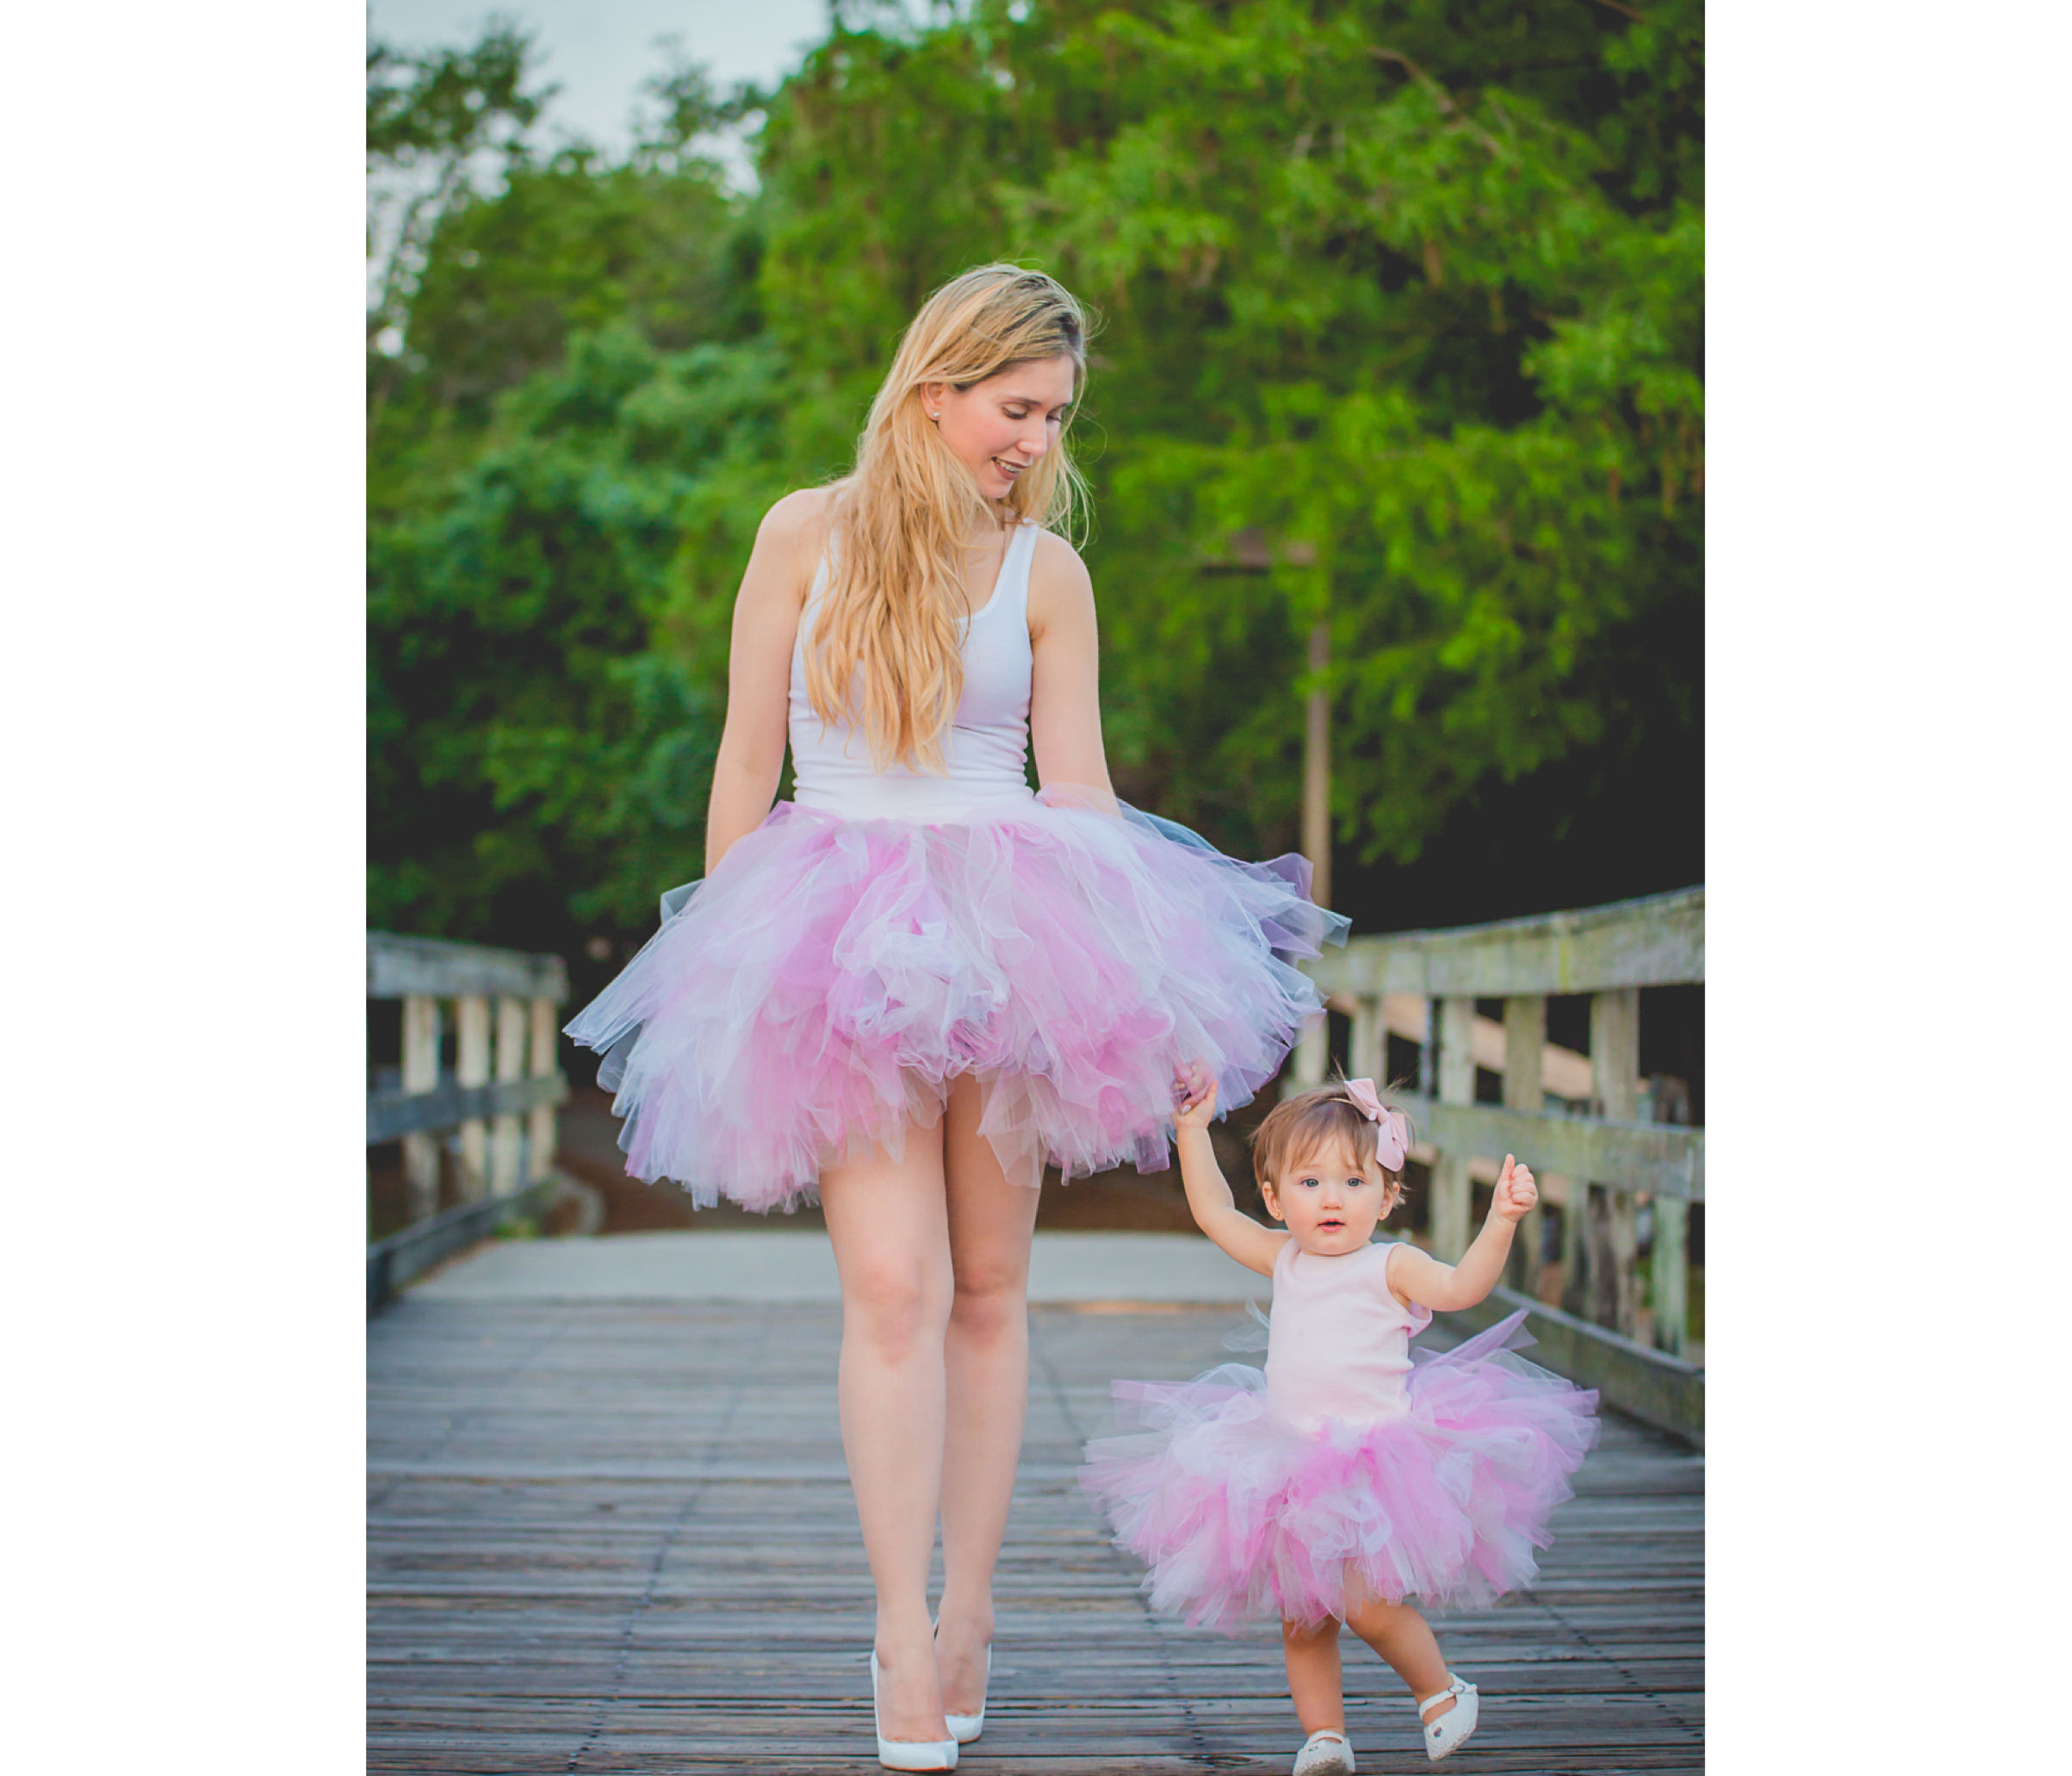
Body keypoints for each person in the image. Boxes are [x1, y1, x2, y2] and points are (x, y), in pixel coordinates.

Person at [563, 264, 1348, 1770]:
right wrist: (730, 965)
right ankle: (897, 1632)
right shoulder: (802, 533)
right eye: (1016, 409)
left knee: (989, 1285)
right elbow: (743, 764)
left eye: (1055, 417)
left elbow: (1080, 788)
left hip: (1013, 928)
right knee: (890, 1287)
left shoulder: (1046, 572)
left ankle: (972, 1607)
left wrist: (1153, 978)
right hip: (831, 929)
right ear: (937, 391)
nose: (1037, 442)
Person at [1080, 1070, 1599, 1776]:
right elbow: (1214, 1213)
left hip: (1375, 1469)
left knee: (1370, 1606)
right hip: (1289, 1467)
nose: (1332, 1199)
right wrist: (1193, 1130)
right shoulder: (1284, 1258)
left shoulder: (1392, 1266)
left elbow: (1461, 1288)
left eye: (1354, 1182)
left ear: (1386, 1197)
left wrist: (1500, 1221)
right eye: (1311, 1182)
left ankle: (1441, 1690)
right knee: (1304, 1617)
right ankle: (1325, 1736)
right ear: (1275, 1199)